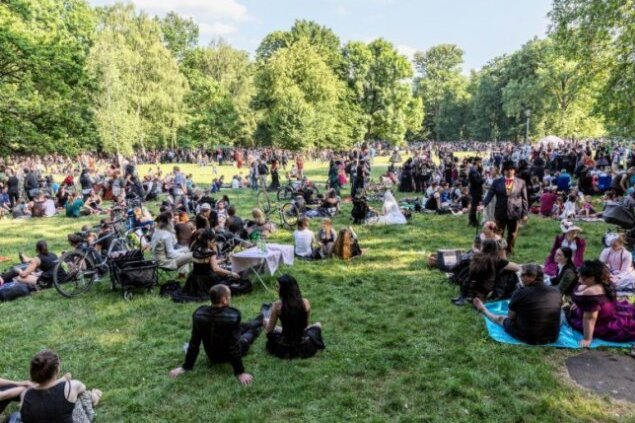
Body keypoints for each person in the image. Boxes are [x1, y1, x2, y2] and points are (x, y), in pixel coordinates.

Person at [169, 285, 264, 385]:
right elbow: (234, 346)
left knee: (243, 327)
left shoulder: (199, 313)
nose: (230, 299)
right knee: (250, 334)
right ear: (224, 300)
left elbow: (194, 342)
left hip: (212, 355)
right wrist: (240, 372)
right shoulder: (233, 315)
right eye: (229, 297)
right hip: (225, 356)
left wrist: (186, 366)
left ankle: (261, 320)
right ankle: (261, 324)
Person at [474, 263, 562, 345]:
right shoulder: (556, 291)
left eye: (523, 275)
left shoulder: (520, 292)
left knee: (502, 319)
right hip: (553, 336)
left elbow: (510, 317)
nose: (521, 278)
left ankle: (484, 310)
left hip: (531, 338)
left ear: (532, 277)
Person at [20, 349, 102, 423]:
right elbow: (83, 388)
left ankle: (94, 397)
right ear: (57, 368)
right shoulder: (71, 386)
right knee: (79, 396)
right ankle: (94, 397)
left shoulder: (26, 394)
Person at [566, 260, 635, 347]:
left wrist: (587, 339)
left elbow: (590, 318)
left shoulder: (591, 292)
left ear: (592, 278)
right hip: (608, 313)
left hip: (600, 322)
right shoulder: (602, 282)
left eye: (582, 276)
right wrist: (579, 303)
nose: (579, 278)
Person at [265, 274, 325, 359]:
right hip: (303, 344)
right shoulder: (305, 302)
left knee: (266, 321)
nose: (276, 290)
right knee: (318, 324)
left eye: (278, 287)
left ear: (284, 290)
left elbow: (269, 330)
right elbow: (305, 326)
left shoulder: (277, 305)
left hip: (283, 346)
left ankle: (283, 330)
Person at [453, 240, 520, 305]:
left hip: (470, 289)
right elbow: (517, 268)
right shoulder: (497, 260)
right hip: (485, 292)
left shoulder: (476, 257)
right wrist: (503, 252)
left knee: (503, 271)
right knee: (510, 273)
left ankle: (465, 297)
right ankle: (500, 295)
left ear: (484, 247)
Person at [482, 160, 528, 255]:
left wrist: (525, 214)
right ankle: (498, 251)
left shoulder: (521, 182)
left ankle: (509, 251)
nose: (509, 171)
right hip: (501, 211)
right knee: (498, 233)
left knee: (512, 233)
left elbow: (524, 199)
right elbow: (490, 195)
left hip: (515, 212)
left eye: (511, 169)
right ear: (503, 171)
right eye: (507, 170)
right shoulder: (497, 182)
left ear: (514, 170)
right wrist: (483, 205)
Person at [151, 212, 192, 277]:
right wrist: (183, 252)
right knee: (192, 255)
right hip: (165, 263)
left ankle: (182, 275)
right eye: (172, 218)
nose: (173, 220)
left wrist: (183, 249)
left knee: (185, 250)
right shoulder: (166, 235)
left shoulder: (156, 231)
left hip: (155, 260)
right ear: (168, 221)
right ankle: (188, 276)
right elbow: (171, 254)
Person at [468, 158, 484, 227]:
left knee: (474, 206)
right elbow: (477, 182)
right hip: (475, 191)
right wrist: (484, 179)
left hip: (476, 191)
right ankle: (473, 221)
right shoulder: (473, 171)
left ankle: (472, 220)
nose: (481, 164)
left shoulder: (475, 170)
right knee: (474, 206)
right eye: (480, 162)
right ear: (477, 162)